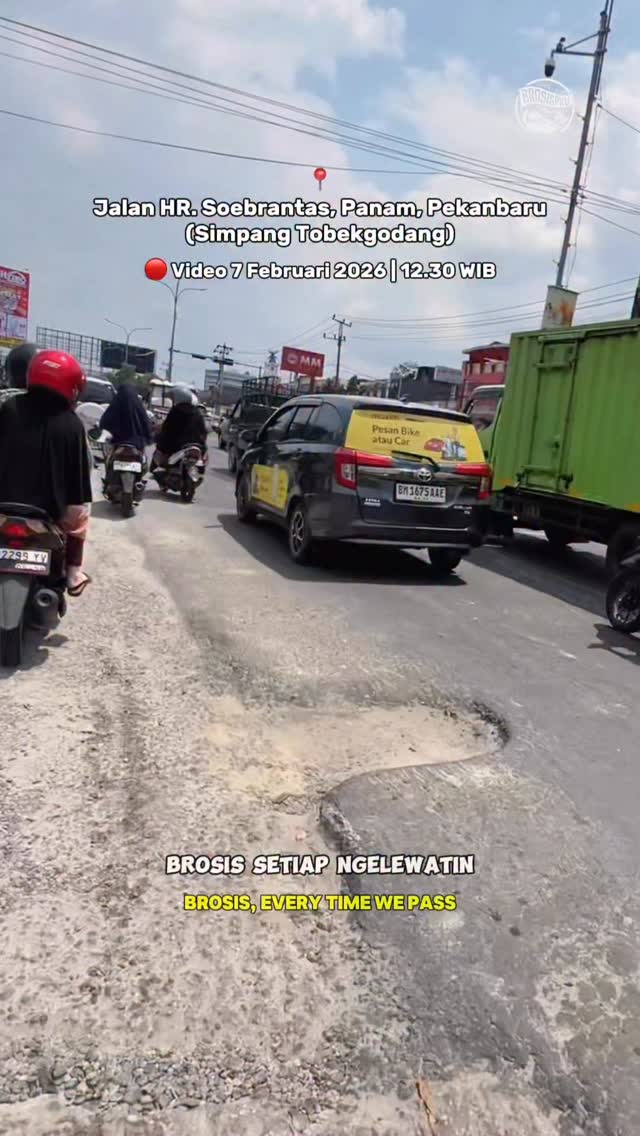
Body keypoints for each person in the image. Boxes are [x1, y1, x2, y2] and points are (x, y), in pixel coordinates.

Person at [0, 349, 93, 596]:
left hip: (3, 504)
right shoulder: (73, 424)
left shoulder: (10, 407)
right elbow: (79, 481)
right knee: (80, 517)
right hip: (49, 514)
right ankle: (73, 574)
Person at [151, 387, 207, 471]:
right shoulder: (198, 413)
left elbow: (166, 430)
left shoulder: (176, 411)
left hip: (175, 447)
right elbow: (204, 432)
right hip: (195, 447)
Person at [99, 382, 154, 456]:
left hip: (117, 444)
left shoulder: (114, 407)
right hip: (137, 447)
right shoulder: (139, 409)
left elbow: (104, 424)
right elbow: (147, 427)